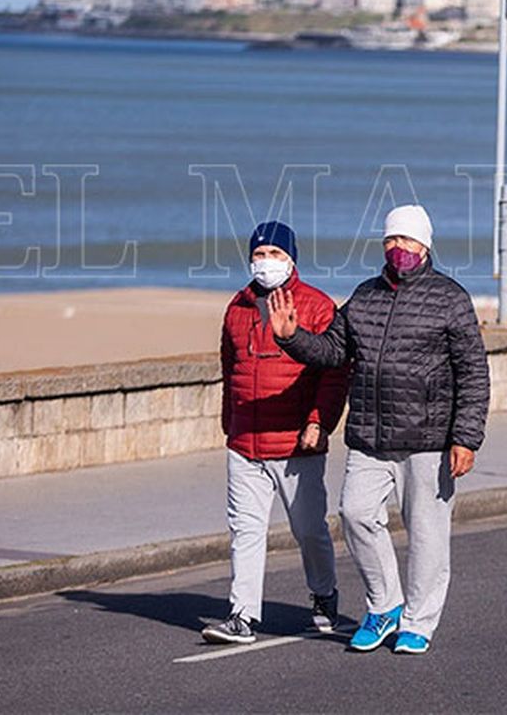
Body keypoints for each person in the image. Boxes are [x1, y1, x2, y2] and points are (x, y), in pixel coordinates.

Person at [271, 204, 489, 656]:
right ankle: (385, 605)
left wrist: (466, 438)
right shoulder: (365, 296)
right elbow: (334, 350)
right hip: (369, 436)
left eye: (406, 240)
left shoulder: (450, 298)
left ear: (425, 245)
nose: (397, 248)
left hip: (428, 439)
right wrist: (291, 337)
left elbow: (473, 372)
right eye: (391, 240)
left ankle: (418, 621)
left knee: (426, 534)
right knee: (355, 514)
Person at [202, 221, 348, 645]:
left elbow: (334, 374)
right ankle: (242, 616)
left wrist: (319, 422)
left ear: (291, 259)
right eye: (259, 254)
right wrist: (230, 422)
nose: (265, 262)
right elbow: (230, 370)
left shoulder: (318, 307)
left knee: (309, 530)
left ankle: (323, 596)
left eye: (275, 254)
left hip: (295, 445)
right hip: (245, 443)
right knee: (245, 530)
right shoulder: (238, 307)